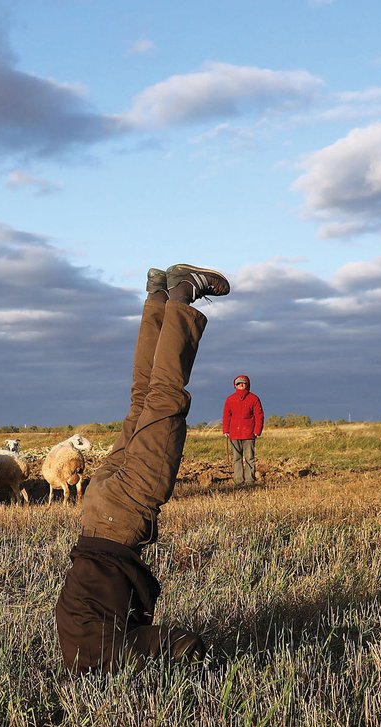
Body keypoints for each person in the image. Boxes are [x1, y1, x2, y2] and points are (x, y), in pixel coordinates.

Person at [55, 263, 230, 675]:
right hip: (96, 511)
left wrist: (206, 665)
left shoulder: (110, 658)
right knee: (143, 400)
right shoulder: (77, 652)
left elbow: (180, 643)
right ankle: (157, 296)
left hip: (126, 512)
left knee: (165, 396)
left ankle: (184, 290)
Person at [222, 374, 264, 486]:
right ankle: (238, 481)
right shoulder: (230, 399)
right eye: (238, 383)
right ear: (235, 386)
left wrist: (257, 430)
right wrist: (225, 430)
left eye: (243, 383)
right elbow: (227, 415)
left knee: (249, 458)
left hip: (249, 433)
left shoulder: (254, 398)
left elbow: (259, 415)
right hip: (234, 433)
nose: (241, 385)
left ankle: (250, 481)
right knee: (236, 458)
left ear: (248, 384)